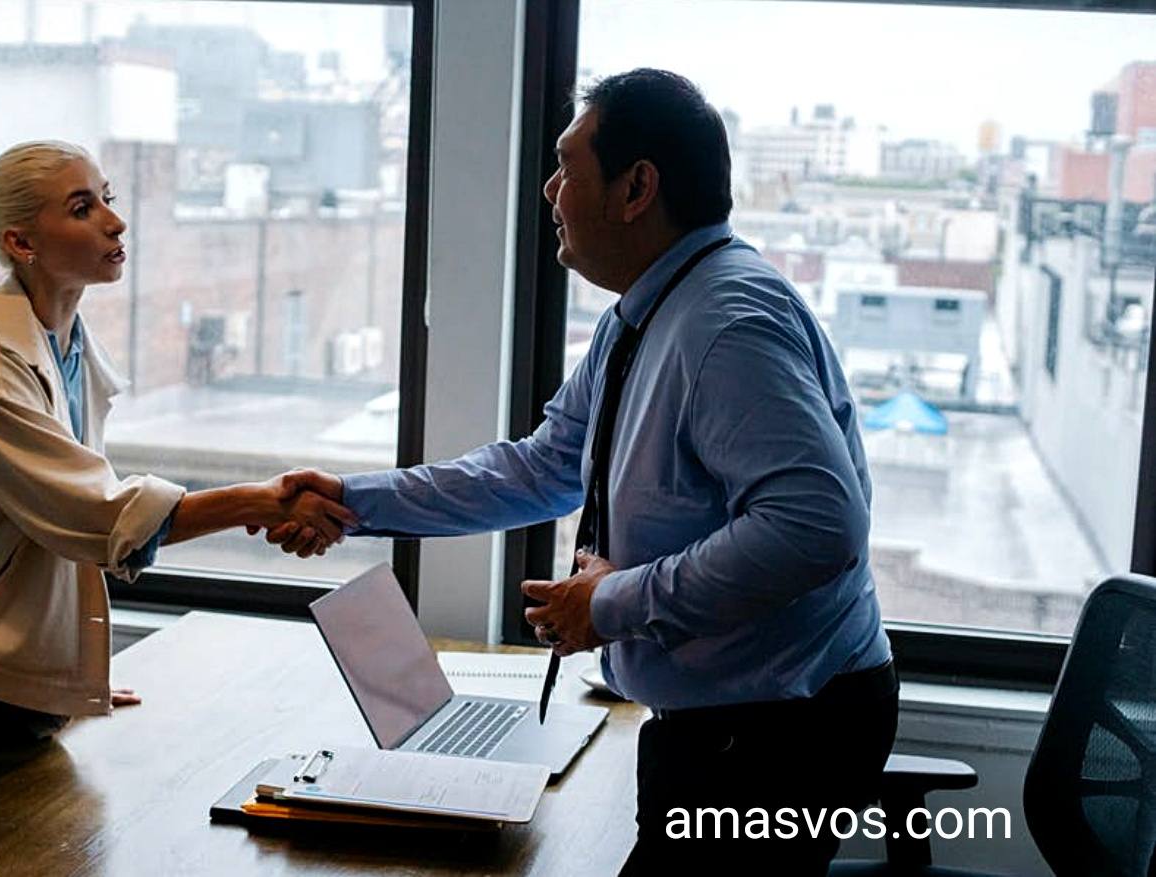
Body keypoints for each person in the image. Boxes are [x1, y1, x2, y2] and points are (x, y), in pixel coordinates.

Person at [273, 70, 897, 874]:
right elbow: (539, 469)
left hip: (778, 733)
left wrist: (610, 599)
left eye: (569, 165)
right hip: (725, 721)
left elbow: (817, 529)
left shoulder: (729, 324)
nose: (549, 188)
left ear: (636, 188)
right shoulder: (644, 315)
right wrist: (352, 501)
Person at [0, 140, 356, 817]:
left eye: (108, 199)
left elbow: (59, 525)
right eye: (82, 207)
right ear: (20, 240)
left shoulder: (63, 343)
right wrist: (262, 500)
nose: (114, 222)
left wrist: (67, 674)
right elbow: (93, 516)